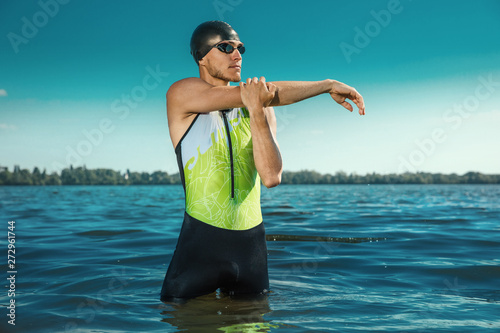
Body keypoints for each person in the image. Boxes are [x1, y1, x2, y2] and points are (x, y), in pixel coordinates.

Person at [160, 20, 365, 302]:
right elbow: (245, 94)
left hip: (250, 250)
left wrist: (258, 112)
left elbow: (271, 177)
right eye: (226, 47)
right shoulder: (182, 94)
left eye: (240, 48)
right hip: (199, 247)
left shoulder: (261, 109)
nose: (237, 54)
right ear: (202, 57)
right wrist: (324, 85)